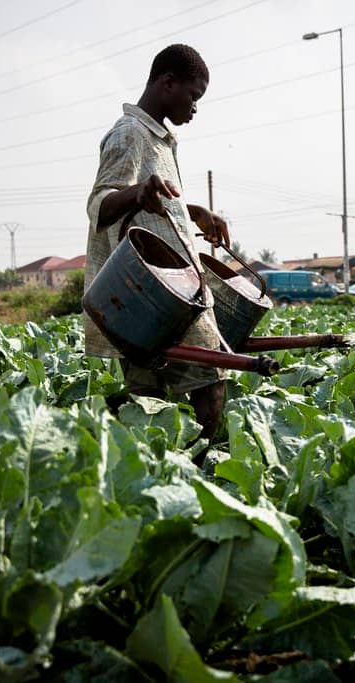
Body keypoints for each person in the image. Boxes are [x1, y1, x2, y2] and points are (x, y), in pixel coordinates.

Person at [83, 44, 230, 457]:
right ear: (168, 84)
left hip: (164, 290)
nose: (195, 108)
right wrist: (136, 192)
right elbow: (100, 203)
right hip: (147, 293)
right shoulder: (129, 133)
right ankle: (192, 474)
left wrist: (193, 210)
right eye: (193, 96)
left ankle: (158, 478)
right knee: (209, 381)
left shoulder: (160, 140)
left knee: (150, 398)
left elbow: (155, 197)